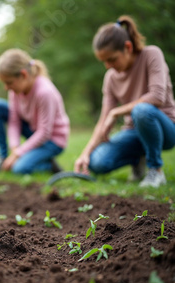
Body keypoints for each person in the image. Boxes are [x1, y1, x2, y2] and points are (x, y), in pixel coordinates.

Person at [74, 16, 175, 188]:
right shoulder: (111, 78)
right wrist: (86, 152)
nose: (107, 65)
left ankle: (155, 171)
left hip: (165, 128)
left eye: (111, 59)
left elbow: (157, 97)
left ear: (127, 47)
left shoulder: (151, 55)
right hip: (133, 132)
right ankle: (139, 159)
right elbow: (103, 119)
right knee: (96, 162)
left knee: (142, 111)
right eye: (104, 61)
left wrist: (117, 112)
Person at [0, 49, 70, 175]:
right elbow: (14, 121)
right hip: (33, 131)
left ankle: (48, 165)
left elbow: (45, 132)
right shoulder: (15, 91)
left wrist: (17, 154)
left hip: (52, 140)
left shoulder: (45, 92)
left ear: (23, 75)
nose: (6, 87)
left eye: (9, 82)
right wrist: (15, 147)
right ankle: (3, 158)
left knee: (19, 169)